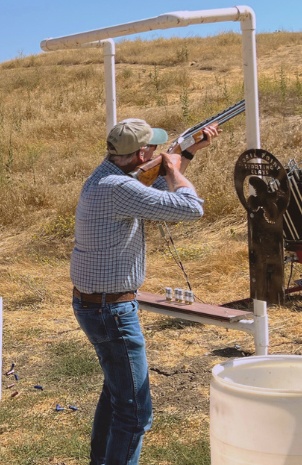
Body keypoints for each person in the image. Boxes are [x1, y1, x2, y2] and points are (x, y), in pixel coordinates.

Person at [70, 118, 217, 465]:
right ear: (141, 153)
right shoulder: (118, 188)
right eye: (153, 147)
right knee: (135, 413)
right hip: (111, 312)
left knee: (118, 395)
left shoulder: (106, 177)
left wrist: (185, 155)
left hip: (97, 306)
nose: (156, 149)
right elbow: (192, 208)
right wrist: (174, 169)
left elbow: (153, 198)